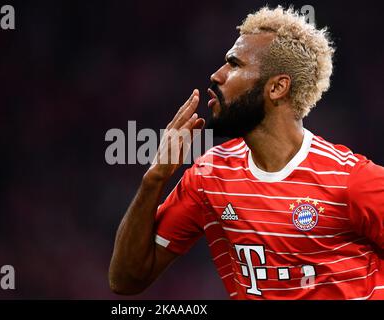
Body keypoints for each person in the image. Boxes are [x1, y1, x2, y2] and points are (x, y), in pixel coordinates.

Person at [108, 6, 384, 299]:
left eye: (234, 64)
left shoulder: (351, 181)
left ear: (277, 87)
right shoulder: (208, 177)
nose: (216, 75)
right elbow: (126, 280)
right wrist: (155, 178)